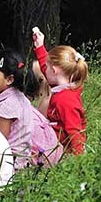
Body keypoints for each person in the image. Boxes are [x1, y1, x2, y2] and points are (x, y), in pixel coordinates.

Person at [0, 50, 62, 169]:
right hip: (23, 157)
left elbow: (1, 140)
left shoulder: (7, 105)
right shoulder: (19, 96)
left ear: (9, 79)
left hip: (10, 162)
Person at [33, 27, 88, 155]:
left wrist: (79, 160)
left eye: (47, 67)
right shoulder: (65, 88)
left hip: (62, 151)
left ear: (54, 70)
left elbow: (74, 131)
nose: (44, 70)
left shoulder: (65, 100)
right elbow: (46, 69)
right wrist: (40, 46)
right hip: (57, 145)